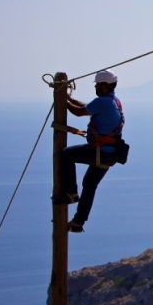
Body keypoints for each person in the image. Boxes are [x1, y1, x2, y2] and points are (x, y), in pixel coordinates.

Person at [55, 69, 125, 233]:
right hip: (110, 154)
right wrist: (69, 99)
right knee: (90, 185)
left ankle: (71, 192)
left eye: (98, 85)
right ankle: (78, 222)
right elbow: (86, 107)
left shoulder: (103, 102)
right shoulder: (113, 101)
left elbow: (78, 111)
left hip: (99, 151)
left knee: (67, 154)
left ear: (104, 86)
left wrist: (62, 98)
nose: (96, 88)